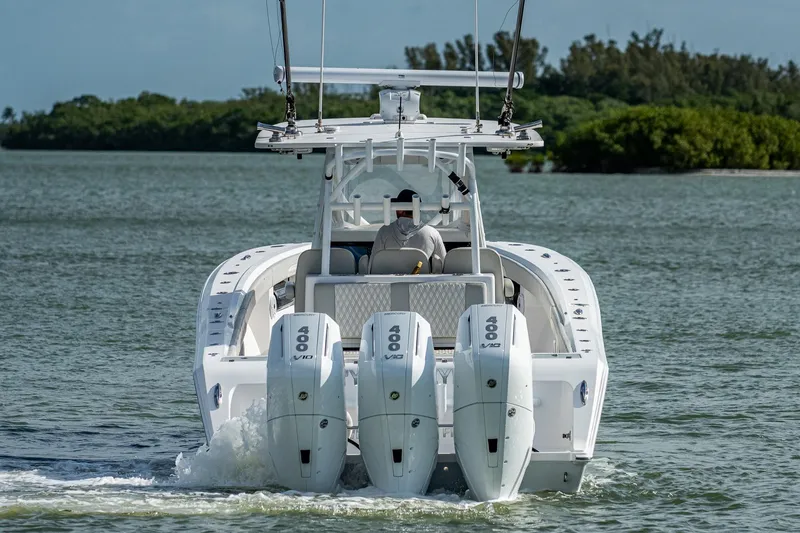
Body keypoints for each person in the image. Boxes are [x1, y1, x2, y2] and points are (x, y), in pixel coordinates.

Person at [371, 188, 446, 270]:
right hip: (420, 282)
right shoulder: (432, 233)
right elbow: (443, 265)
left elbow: (373, 265)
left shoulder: (384, 231)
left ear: (400, 210)